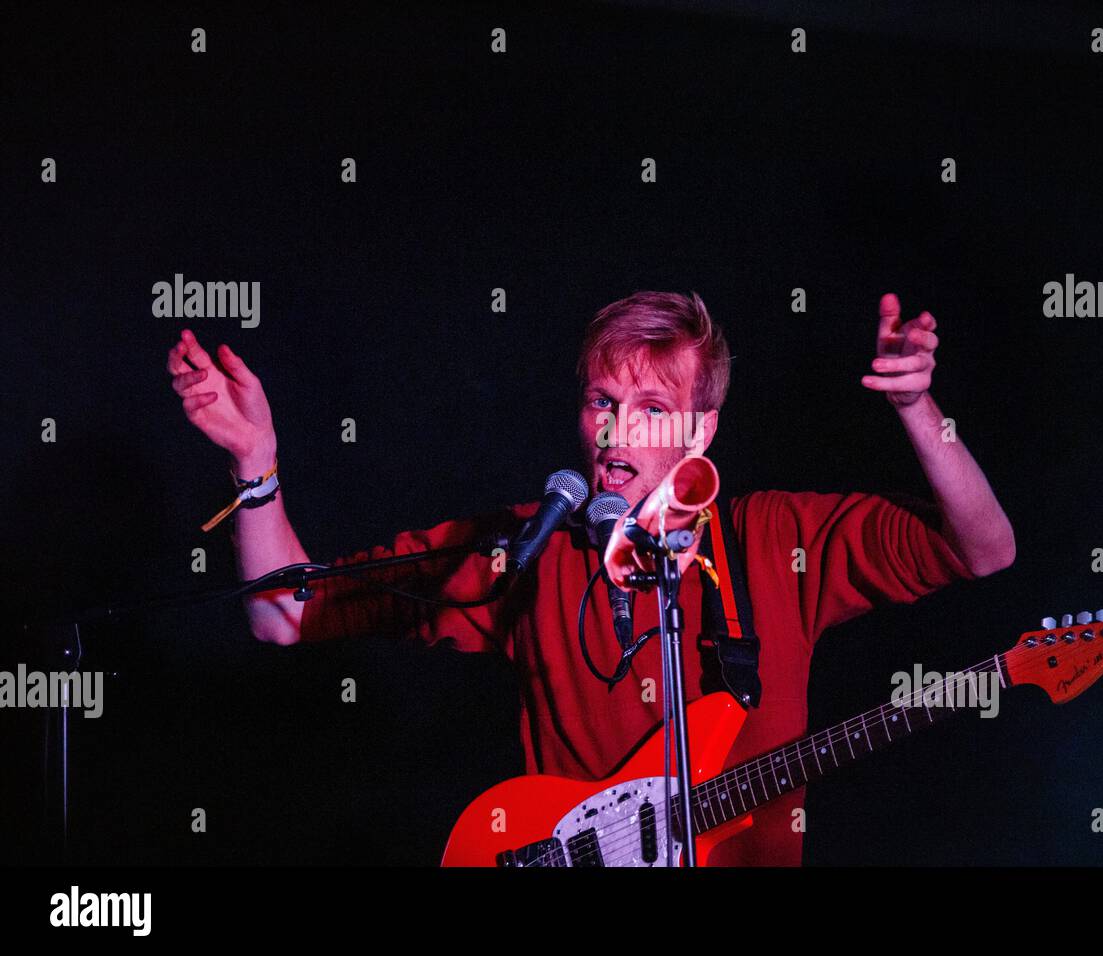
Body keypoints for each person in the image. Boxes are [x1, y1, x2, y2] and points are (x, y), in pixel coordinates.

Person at [165, 290, 1015, 866]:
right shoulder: (527, 547)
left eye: (650, 408)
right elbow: (282, 616)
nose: (616, 431)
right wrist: (257, 464)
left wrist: (918, 412)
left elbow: (985, 549)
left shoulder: (777, 538)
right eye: (603, 400)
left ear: (701, 427)